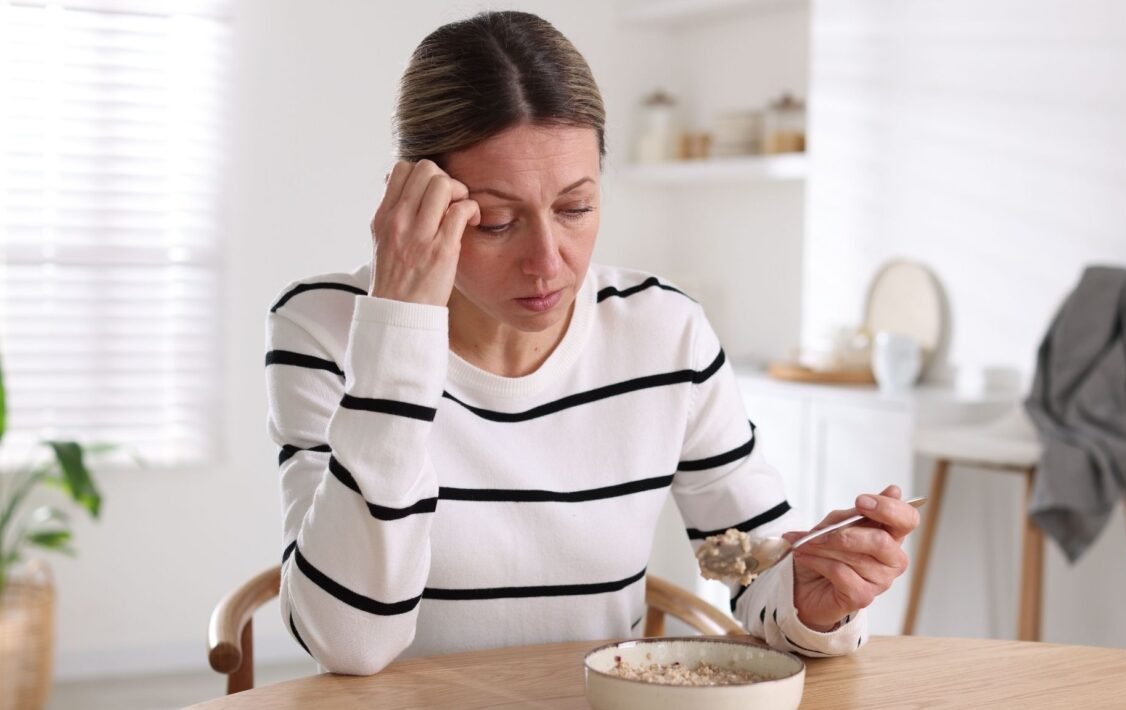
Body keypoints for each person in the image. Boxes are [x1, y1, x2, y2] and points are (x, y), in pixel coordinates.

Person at [264, 10, 919, 676]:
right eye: (496, 222)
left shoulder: (664, 334)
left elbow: (740, 557)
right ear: (417, 202)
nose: (548, 263)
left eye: (575, 208)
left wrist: (807, 597)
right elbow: (349, 641)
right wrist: (400, 327)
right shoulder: (326, 329)